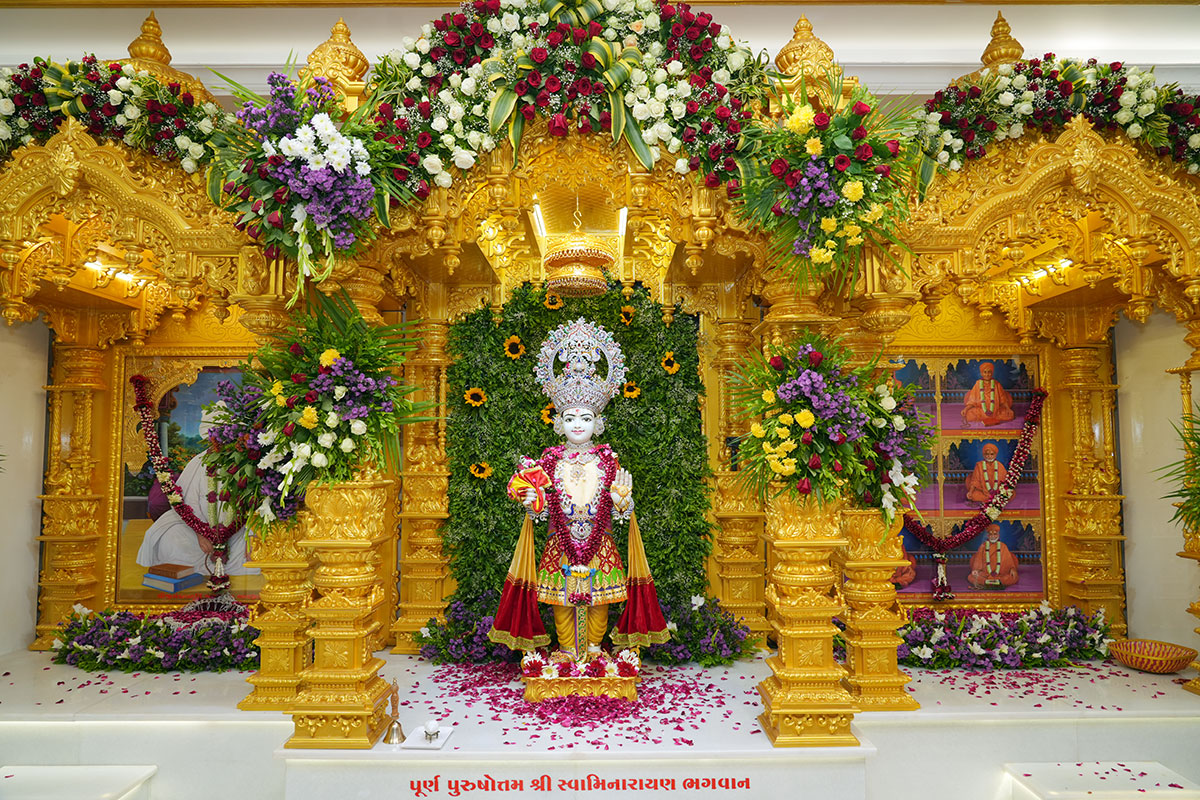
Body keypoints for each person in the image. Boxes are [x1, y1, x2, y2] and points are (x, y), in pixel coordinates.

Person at [489, 318, 669, 660]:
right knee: (561, 600)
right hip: (561, 541)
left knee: (600, 599)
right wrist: (532, 501)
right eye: (570, 418)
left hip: (600, 540)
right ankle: (567, 650)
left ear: (598, 423)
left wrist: (623, 503)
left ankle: (593, 649)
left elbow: (621, 508)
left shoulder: (608, 460)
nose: (577, 425)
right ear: (559, 422)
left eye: (585, 418)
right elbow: (542, 508)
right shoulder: (549, 461)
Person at [135, 452, 257, 577]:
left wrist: (251, 535)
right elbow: (187, 502)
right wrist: (201, 534)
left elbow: (257, 505)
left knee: (255, 556)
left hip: (238, 532)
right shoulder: (199, 461)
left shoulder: (248, 462)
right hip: (196, 531)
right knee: (170, 539)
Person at [961, 361, 1014, 427]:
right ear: (981, 373)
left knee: (1009, 414)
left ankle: (989, 418)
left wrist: (1008, 409)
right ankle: (989, 418)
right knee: (969, 414)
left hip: (995, 411)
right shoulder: (978, 384)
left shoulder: (997, 384)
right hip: (981, 411)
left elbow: (1002, 399)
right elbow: (972, 400)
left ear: (992, 373)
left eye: (989, 372)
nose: (987, 374)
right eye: (985, 372)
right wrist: (965, 409)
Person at [967, 524, 1019, 589]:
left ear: (998, 535)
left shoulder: (1003, 546)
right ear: (988, 536)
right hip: (985, 574)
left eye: (995, 534)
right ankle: (990, 582)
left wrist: (1012, 569)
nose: (993, 536)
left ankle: (990, 582)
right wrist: (976, 570)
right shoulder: (983, 546)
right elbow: (978, 560)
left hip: (1000, 575)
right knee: (971, 577)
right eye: (990, 534)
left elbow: (1009, 561)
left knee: (1013, 577)